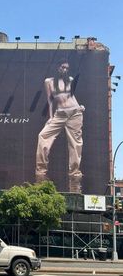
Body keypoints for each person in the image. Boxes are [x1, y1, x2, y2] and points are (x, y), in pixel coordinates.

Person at [35, 60, 85, 193]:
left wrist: (80, 107)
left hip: (75, 113)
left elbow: (71, 97)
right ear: (57, 68)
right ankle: (41, 172)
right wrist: (51, 118)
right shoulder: (49, 82)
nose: (65, 70)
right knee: (43, 136)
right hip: (60, 114)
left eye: (67, 68)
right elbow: (50, 101)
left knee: (75, 144)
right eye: (63, 67)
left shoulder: (70, 79)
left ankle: (75, 173)